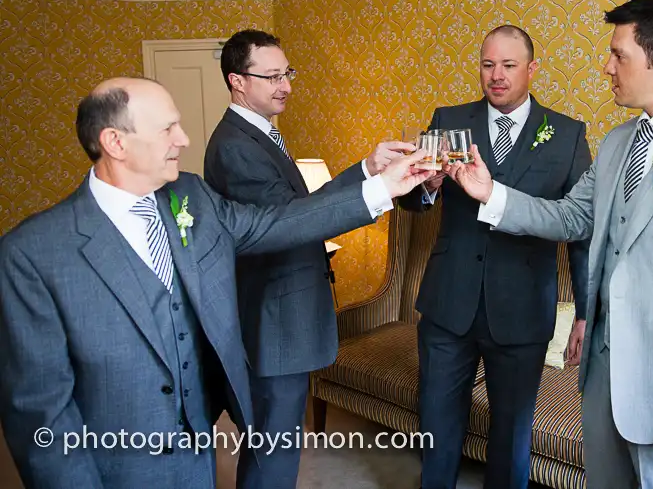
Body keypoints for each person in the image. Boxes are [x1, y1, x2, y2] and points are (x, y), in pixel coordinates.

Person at [0, 76, 431, 489]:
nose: (184, 139)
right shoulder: (32, 254)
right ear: (116, 142)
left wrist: (382, 187)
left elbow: (277, 222)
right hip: (117, 461)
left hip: (199, 446)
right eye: (168, 128)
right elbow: (41, 417)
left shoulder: (191, 196)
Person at [446, 0, 653, 488]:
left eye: (618, 54)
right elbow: (570, 217)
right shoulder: (617, 144)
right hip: (603, 385)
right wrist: (489, 193)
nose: (606, 67)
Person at [202, 29, 416, 489]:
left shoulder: (260, 134)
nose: (286, 85)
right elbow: (286, 226)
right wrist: (378, 191)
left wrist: (365, 169)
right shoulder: (235, 146)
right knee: (273, 450)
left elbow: (295, 210)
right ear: (237, 81)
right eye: (273, 76)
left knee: (278, 442)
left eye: (288, 73)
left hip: (283, 314)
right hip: (272, 317)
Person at [399, 25, 591, 489]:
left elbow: (581, 232)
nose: (497, 75)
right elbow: (409, 198)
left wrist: (586, 312)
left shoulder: (566, 135)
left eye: (508, 65)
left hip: (523, 308)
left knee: (510, 435)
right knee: (438, 425)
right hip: (449, 302)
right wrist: (424, 189)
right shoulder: (447, 119)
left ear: (531, 69)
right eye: (488, 65)